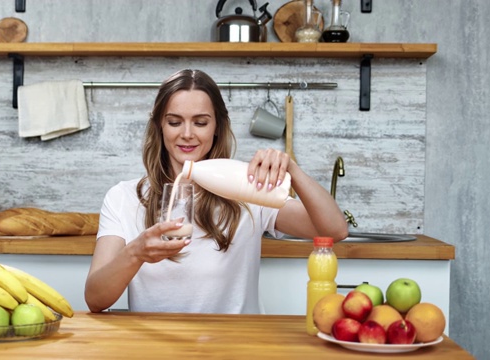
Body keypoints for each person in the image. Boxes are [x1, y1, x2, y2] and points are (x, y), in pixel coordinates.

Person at [84, 69, 348, 314]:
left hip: (231, 347)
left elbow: (334, 230)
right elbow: (95, 299)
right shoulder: (123, 197)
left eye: (200, 122)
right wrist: (136, 253)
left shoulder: (247, 192)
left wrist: (293, 170)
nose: (187, 134)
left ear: (217, 127)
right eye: (175, 122)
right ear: (159, 127)